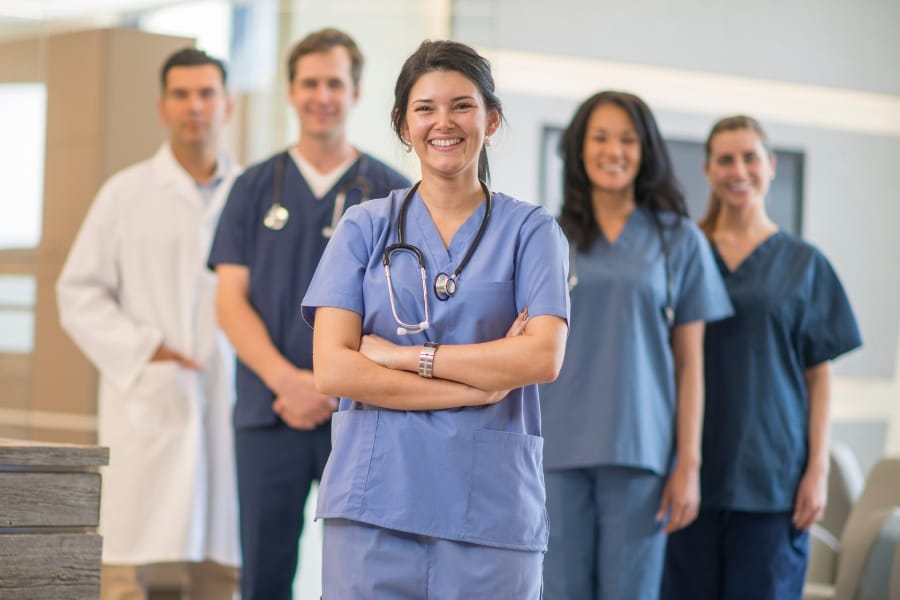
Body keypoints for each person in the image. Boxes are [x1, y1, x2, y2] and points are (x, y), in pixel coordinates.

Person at [300, 39, 570, 598]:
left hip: (490, 511)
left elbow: (542, 356)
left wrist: (404, 357)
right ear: (403, 124)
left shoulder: (532, 232)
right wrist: (472, 389)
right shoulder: (363, 227)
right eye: (425, 108)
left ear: (492, 120)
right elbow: (333, 370)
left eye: (462, 105)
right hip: (376, 502)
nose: (443, 123)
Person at [207, 28, 409, 600]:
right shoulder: (252, 188)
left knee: (368, 571)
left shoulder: (389, 194)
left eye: (335, 84)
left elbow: (399, 312)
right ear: (292, 92)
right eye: (311, 83)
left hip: (358, 415)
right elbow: (229, 301)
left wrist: (333, 382)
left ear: (357, 92)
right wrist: (287, 381)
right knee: (265, 573)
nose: (323, 95)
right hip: (270, 412)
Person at [56, 48, 240, 599]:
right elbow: (78, 291)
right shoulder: (124, 193)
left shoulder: (253, 192)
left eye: (206, 94)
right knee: (129, 566)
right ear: (163, 107)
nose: (195, 107)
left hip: (230, 395)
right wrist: (145, 350)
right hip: (151, 396)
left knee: (223, 563)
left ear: (226, 105)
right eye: (181, 95)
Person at [538, 90, 733, 599]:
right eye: (600, 138)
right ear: (579, 149)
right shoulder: (547, 237)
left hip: (639, 449)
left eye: (627, 139)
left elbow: (692, 365)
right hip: (555, 448)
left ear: (645, 151)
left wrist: (687, 466)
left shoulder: (679, 241)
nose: (614, 151)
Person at [661, 115, 862, 600]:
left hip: (772, 480)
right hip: (688, 475)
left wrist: (817, 471)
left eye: (750, 157)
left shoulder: (804, 263)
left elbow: (819, 376)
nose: (739, 170)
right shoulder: (685, 253)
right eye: (725, 159)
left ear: (770, 166)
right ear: (708, 171)